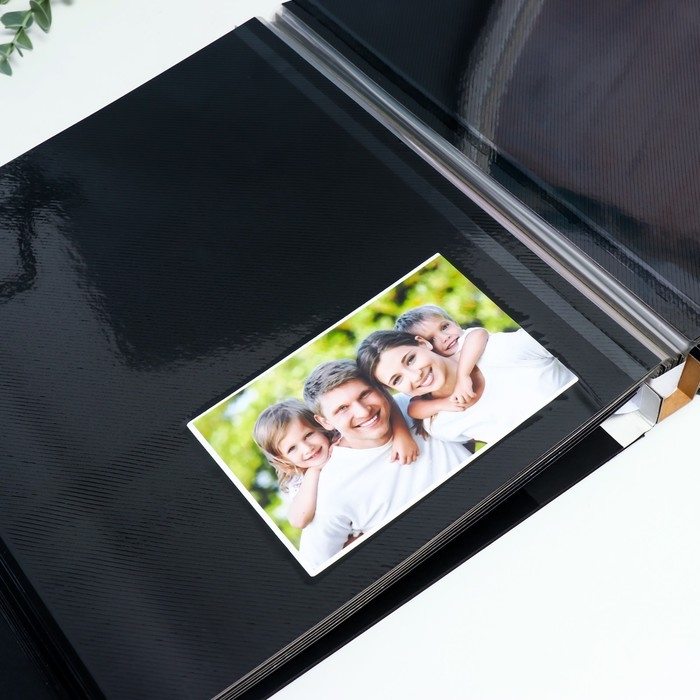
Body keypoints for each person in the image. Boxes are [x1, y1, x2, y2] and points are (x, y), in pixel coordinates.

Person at [298, 360, 469, 569]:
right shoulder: (332, 489)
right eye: (342, 408)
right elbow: (315, 567)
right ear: (325, 422)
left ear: (380, 389)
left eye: (364, 394)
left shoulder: (417, 404)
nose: (363, 412)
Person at [357, 327, 576, 445]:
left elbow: (571, 338)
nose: (415, 376)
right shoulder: (441, 425)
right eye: (397, 379)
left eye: (411, 359)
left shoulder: (499, 350)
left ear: (423, 343)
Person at [253, 394, 420, 530]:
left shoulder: (344, 434)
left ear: (321, 426)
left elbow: (389, 400)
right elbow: (298, 520)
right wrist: (314, 472)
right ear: (283, 459)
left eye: (308, 435)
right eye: (292, 449)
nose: (307, 448)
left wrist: (402, 434)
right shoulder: (299, 480)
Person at [394, 305, 489, 418]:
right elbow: (413, 409)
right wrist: (441, 404)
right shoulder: (431, 374)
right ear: (423, 347)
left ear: (455, 323)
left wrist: (463, 376)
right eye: (431, 340)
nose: (445, 337)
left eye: (444, 327)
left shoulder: (465, 339)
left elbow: (479, 333)